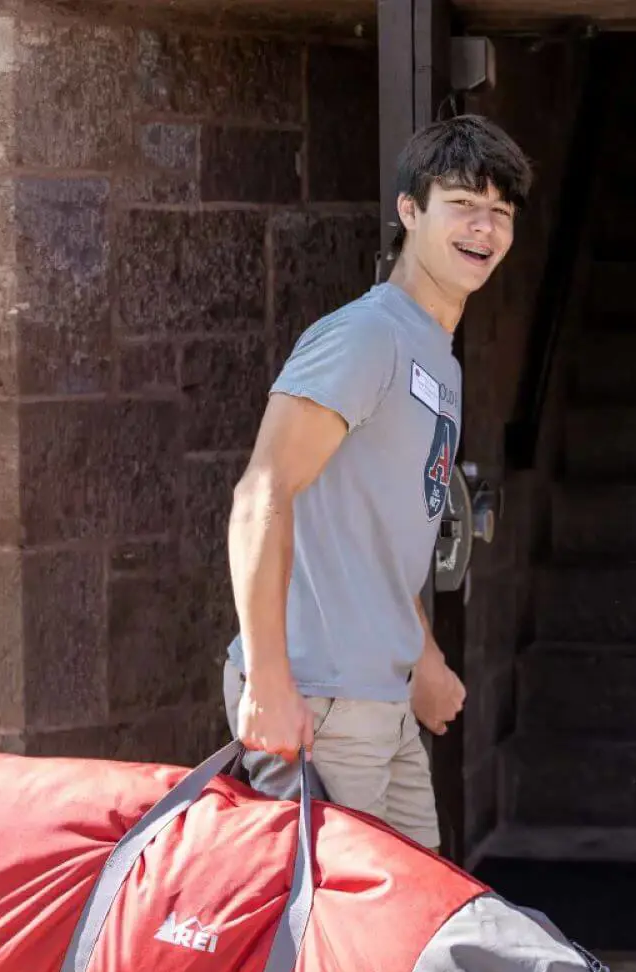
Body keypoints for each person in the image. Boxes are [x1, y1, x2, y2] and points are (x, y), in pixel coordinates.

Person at [222, 114, 532, 853]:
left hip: (378, 699)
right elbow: (261, 493)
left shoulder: (438, 359)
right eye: (463, 205)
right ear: (410, 211)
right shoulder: (367, 336)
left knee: (412, 930)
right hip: (318, 699)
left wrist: (421, 655)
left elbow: (382, 530)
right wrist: (268, 680)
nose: (483, 229)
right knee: (324, 949)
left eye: (501, 213)